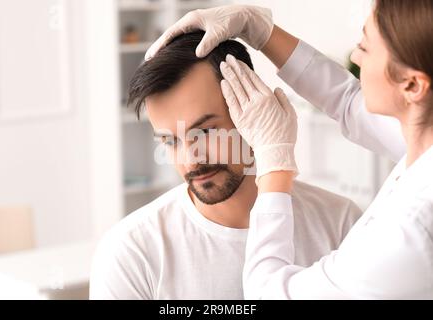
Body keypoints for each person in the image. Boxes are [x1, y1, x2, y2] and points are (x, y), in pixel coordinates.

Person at [147, 1, 433, 299]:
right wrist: (261, 31)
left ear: (413, 86)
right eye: (170, 140)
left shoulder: (405, 235)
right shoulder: (135, 249)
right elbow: (347, 100)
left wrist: (275, 162)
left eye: (366, 47)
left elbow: (268, 295)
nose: (355, 57)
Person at [89, 32, 362, 299]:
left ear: (253, 105)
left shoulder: (339, 223)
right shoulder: (131, 253)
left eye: (206, 131)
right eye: (170, 141)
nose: (190, 159)